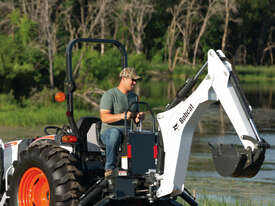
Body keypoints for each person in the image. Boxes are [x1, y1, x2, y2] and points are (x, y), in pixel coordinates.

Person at [99, 67, 144, 177]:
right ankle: (109, 169)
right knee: (115, 133)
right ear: (123, 78)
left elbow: (134, 119)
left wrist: (138, 117)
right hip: (108, 133)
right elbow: (104, 117)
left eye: (135, 81)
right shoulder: (110, 95)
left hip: (127, 133)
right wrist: (122, 116)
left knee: (145, 136)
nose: (134, 83)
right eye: (132, 80)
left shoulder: (134, 97)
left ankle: (141, 169)